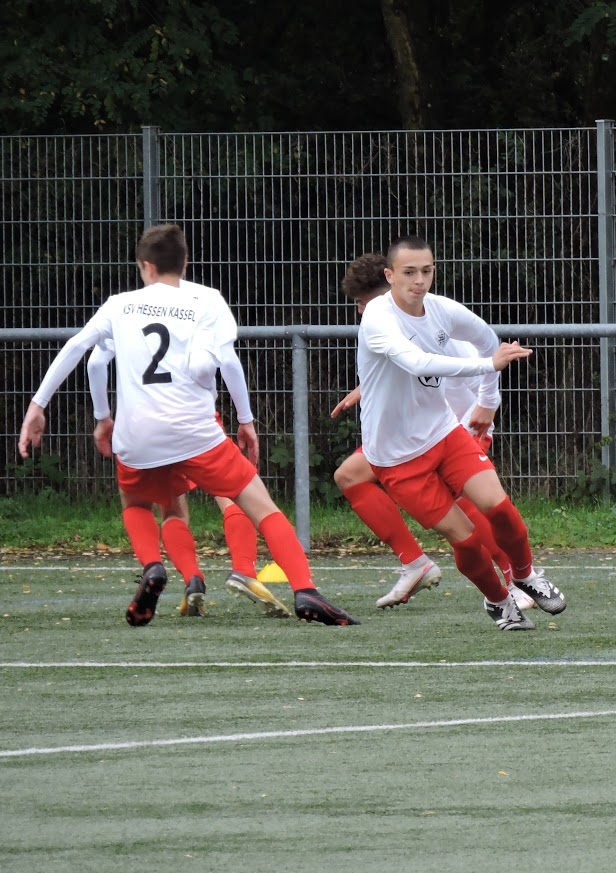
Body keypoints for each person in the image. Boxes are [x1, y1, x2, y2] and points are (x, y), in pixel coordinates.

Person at [17, 224, 357, 627]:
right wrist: (246, 421)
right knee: (261, 505)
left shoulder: (119, 305)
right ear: (185, 263)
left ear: (145, 266)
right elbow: (225, 362)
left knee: (136, 504)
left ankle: (152, 566)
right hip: (196, 431)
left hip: (137, 433)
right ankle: (305, 590)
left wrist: (39, 406)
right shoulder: (206, 301)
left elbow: (80, 349)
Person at [356, 235, 564, 631]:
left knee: (499, 507)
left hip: (444, 433)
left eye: (426, 271)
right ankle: (499, 601)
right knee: (466, 539)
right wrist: (488, 365)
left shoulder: (441, 309)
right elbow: (417, 362)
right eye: (409, 272)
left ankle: (525, 575)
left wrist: (489, 398)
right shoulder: (378, 317)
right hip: (396, 459)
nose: (419, 280)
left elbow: (486, 340)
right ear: (390, 275)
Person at [332, 253, 533, 611]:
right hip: (415, 434)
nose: (360, 311)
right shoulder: (389, 322)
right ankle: (415, 562)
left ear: (386, 290)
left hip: (460, 423)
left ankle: (514, 580)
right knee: (349, 475)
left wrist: (488, 401)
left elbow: (479, 353)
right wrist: (368, 387)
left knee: (471, 503)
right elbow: (402, 367)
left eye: (362, 302)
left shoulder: (426, 322)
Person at [86, 288, 291, 619]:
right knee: (234, 495)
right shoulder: (198, 306)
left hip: (143, 423)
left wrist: (102, 416)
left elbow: (96, 362)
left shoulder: (127, 311)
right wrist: (245, 418)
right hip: (195, 418)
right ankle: (244, 569)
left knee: (167, 508)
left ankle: (189, 576)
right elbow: (225, 361)